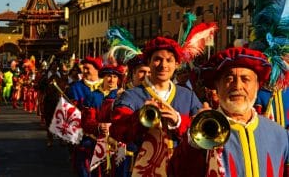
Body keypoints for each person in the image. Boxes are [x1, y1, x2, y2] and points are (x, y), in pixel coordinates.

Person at [168, 47, 289, 177]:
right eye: (229, 79)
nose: (237, 86)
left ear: (257, 86)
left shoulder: (279, 134)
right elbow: (177, 172)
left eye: (245, 79)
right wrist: (194, 144)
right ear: (217, 87)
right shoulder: (201, 133)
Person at [110, 36, 203, 176]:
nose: (163, 65)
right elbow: (118, 130)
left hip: (181, 169)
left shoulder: (188, 96)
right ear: (149, 62)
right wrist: (140, 117)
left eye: (169, 60)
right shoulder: (130, 95)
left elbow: (203, 133)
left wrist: (179, 121)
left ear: (177, 64)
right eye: (157, 59)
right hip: (142, 170)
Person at [81, 64, 127, 176]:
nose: (112, 80)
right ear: (103, 77)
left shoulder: (124, 95)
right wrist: (98, 126)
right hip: (96, 139)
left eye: (115, 77)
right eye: (109, 76)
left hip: (118, 142)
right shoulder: (93, 96)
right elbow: (86, 121)